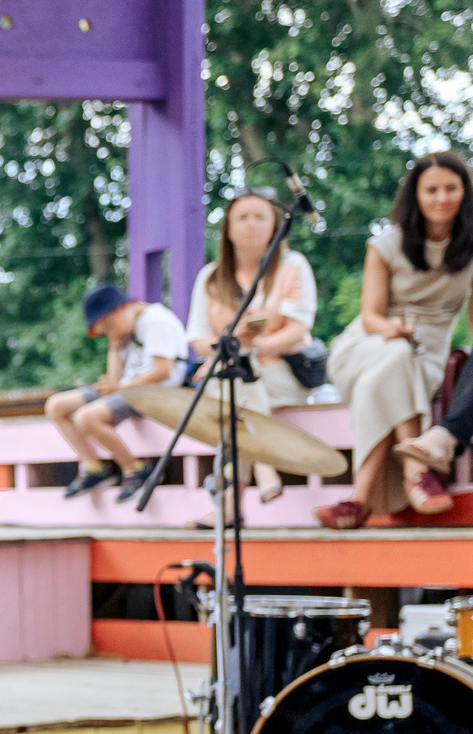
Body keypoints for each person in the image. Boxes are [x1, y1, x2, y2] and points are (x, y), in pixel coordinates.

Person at [318, 150, 473, 528]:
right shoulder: (385, 245)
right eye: (431, 189)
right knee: (397, 356)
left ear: (465, 193)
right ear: (415, 196)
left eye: (451, 188)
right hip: (370, 342)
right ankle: (417, 471)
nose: (441, 198)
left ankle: (358, 499)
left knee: (394, 368)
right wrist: (390, 330)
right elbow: (371, 315)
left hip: (428, 349)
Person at [183, 190, 318, 507]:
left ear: (275, 225)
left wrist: (255, 345)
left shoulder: (292, 266)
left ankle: (231, 504)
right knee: (234, 384)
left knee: (233, 389)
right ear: (228, 228)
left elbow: (299, 328)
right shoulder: (210, 277)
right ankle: (264, 468)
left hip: (281, 371)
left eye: (260, 216)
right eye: (242, 217)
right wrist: (231, 343)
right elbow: (199, 340)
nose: (251, 224)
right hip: (230, 375)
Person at [45, 283, 191, 501]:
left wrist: (120, 387)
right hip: (129, 389)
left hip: (155, 392)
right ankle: (93, 467)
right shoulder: (126, 331)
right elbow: (114, 379)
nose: (109, 333)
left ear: (119, 309)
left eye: (109, 326)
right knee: (56, 406)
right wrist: (114, 346)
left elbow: (163, 371)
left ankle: (136, 468)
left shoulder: (154, 320)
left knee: (87, 417)